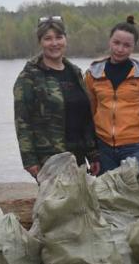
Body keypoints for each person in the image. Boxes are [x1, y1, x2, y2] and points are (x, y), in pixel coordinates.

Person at [13, 16, 99, 178]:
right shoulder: (29, 77)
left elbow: (85, 116)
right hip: (50, 158)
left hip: (78, 157)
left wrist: (93, 153)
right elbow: (22, 122)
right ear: (40, 42)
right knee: (57, 202)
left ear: (65, 39)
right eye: (48, 39)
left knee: (81, 201)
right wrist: (29, 160)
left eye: (59, 37)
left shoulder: (75, 73)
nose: (54, 43)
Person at [84, 16, 139, 172]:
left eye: (126, 45)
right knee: (107, 194)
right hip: (103, 146)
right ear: (110, 41)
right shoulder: (93, 75)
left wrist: (136, 132)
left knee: (132, 192)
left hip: (135, 147)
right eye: (116, 43)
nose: (120, 49)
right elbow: (90, 110)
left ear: (133, 47)